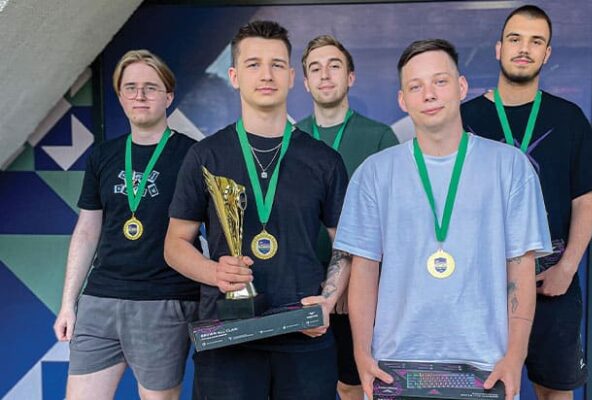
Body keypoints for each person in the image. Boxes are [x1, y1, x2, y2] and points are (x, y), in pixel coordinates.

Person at [334, 38, 553, 400]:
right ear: (403, 101)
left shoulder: (510, 167)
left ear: (461, 87)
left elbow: (521, 267)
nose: (429, 94)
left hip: (484, 365)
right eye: (415, 86)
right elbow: (364, 269)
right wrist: (361, 352)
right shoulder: (374, 173)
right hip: (396, 366)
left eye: (440, 81)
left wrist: (515, 355)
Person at [164, 21, 350, 400]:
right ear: (234, 76)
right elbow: (174, 244)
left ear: (292, 77)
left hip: (304, 334)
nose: (266, 74)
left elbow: (345, 246)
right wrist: (215, 271)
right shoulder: (206, 155)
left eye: (277, 64)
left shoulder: (323, 161)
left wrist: (328, 300)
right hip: (228, 335)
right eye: (253, 64)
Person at [460, 5, 592, 400]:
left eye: (536, 41)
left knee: (554, 393)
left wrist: (567, 267)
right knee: (481, 392)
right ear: (498, 49)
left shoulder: (569, 118)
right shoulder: (464, 119)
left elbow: (585, 201)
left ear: (547, 54)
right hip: (479, 286)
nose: (524, 49)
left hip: (550, 282)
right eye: (515, 39)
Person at [53, 50, 199, 400]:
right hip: (100, 299)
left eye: (150, 87)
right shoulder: (103, 155)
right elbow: (87, 230)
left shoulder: (194, 155)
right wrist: (68, 302)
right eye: (130, 87)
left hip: (162, 301)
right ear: (119, 97)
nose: (140, 95)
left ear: (168, 96)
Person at [296, 34, 399, 400]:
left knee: (355, 384)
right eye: (315, 68)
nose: (325, 75)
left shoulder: (379, 137)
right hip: (304, 290)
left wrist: (347, 281)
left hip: (363, 288)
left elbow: (391, 223)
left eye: (334, 66)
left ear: (351, 77)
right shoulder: (290, 138)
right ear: (305, 81)